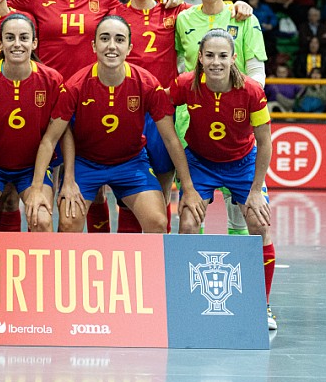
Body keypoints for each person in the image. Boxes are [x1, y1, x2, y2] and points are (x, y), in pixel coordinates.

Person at [112, 0, 253, 234]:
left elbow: (211, 10)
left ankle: (159, 261)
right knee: (124, 192)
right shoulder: (114, 15)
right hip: (125, 112)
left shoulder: (176, 12)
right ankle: (127, 259)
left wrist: (238, 6)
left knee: (162, 190)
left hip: (162, 113)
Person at [23, 15, 204, 234]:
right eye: (105, 38)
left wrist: (188, 187)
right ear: (94, 45)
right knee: (68, 223)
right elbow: (50, 140)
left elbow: (170, 139)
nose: (111, 46)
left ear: (129, 47)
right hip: (86, 164)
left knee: (157, 222)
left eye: (119, 40)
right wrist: (49, 184)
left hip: (131, 163)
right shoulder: (75, 86)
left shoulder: (146, 83)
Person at [169, 28, 278, 330]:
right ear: (200, 58)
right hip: (200, 163)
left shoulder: (252, 91)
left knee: (260, 224)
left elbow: (265, 142)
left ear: (233, 59)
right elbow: (163, 120)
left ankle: (263, 305)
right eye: (210, 56)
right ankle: (185, 302)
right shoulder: (185, 86)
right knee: (188, 223)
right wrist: (186, 186)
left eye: (223, 56)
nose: (216, 62)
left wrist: (256, 190)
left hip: (242, 164)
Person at [175, 0, 268, 237]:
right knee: (192, 215)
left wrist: (236, 102)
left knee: (239, 213)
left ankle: (241, 274)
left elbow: (257, 74)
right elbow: (182, 68)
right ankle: (193, 277)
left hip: (237, 120)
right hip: (193, 123)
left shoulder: (243, 16)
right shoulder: (184, 19)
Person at [0, 12, 66, 232]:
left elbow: (55, 136)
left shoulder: (52, 80)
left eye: (24, 38)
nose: (17, 44)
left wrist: (38, 186)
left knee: (41, 220)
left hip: (32, 167)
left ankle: (35, 267)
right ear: (0, 43)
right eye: (10, 38)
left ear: (34, 42)